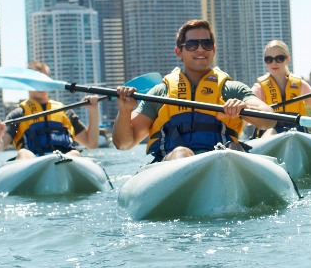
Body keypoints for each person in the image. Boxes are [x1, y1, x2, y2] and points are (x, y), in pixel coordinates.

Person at [111, 19, 274, 161]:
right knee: (181, 152)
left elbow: (269, 120)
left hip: (223, 158)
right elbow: (124, 144)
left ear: (213, 50)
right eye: (192, 45)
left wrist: (244, 109)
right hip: (174, 162)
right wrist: (124, 111)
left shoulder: (233, 89)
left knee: (234, 148)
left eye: (207, 44)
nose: (200, 49)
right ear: (178, 52)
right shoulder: (159, 93)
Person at [0, 61, 101, 158]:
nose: (41, 85)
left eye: (44, 81)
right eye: (36, 81)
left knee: (75, 153)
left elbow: (91, 144)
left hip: (64, 159)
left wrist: (93, 110)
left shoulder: (65, 111)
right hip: (32, 161)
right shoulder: (18, 114)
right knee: (23, 153)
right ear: (27, 83)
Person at [252, 40, 311, 135]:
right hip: (270, 129)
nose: (274, 63)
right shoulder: (259, 88)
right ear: (265, 61)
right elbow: (246, 108)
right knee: (271, 131)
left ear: (288, 59)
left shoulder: (300, 85)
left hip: (297, 129)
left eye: (279, 58)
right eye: (269, 59)